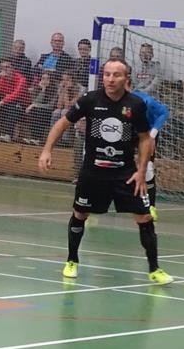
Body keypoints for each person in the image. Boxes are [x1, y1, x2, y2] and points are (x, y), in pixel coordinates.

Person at [38, 58, 173, 285]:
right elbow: (62, 123)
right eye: (107, 74)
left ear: (126, 79)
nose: (111, 79)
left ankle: (155, 269)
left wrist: (142, 170)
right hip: (93, 172)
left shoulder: (136, 104)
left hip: (125, 172)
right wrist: (46, 150)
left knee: (145, 217)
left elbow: (144, 139)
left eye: (116, 75)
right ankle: (72, 260)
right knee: (80, 214)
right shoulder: (90, 100)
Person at [127, 74, 168, 221]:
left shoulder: (145, 100)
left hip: (146, 134)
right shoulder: (110, 99)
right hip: (126, 134)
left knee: (148, 168)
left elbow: (164, 112)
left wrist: (153, 133)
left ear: (129, 86)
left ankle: (150, 207)